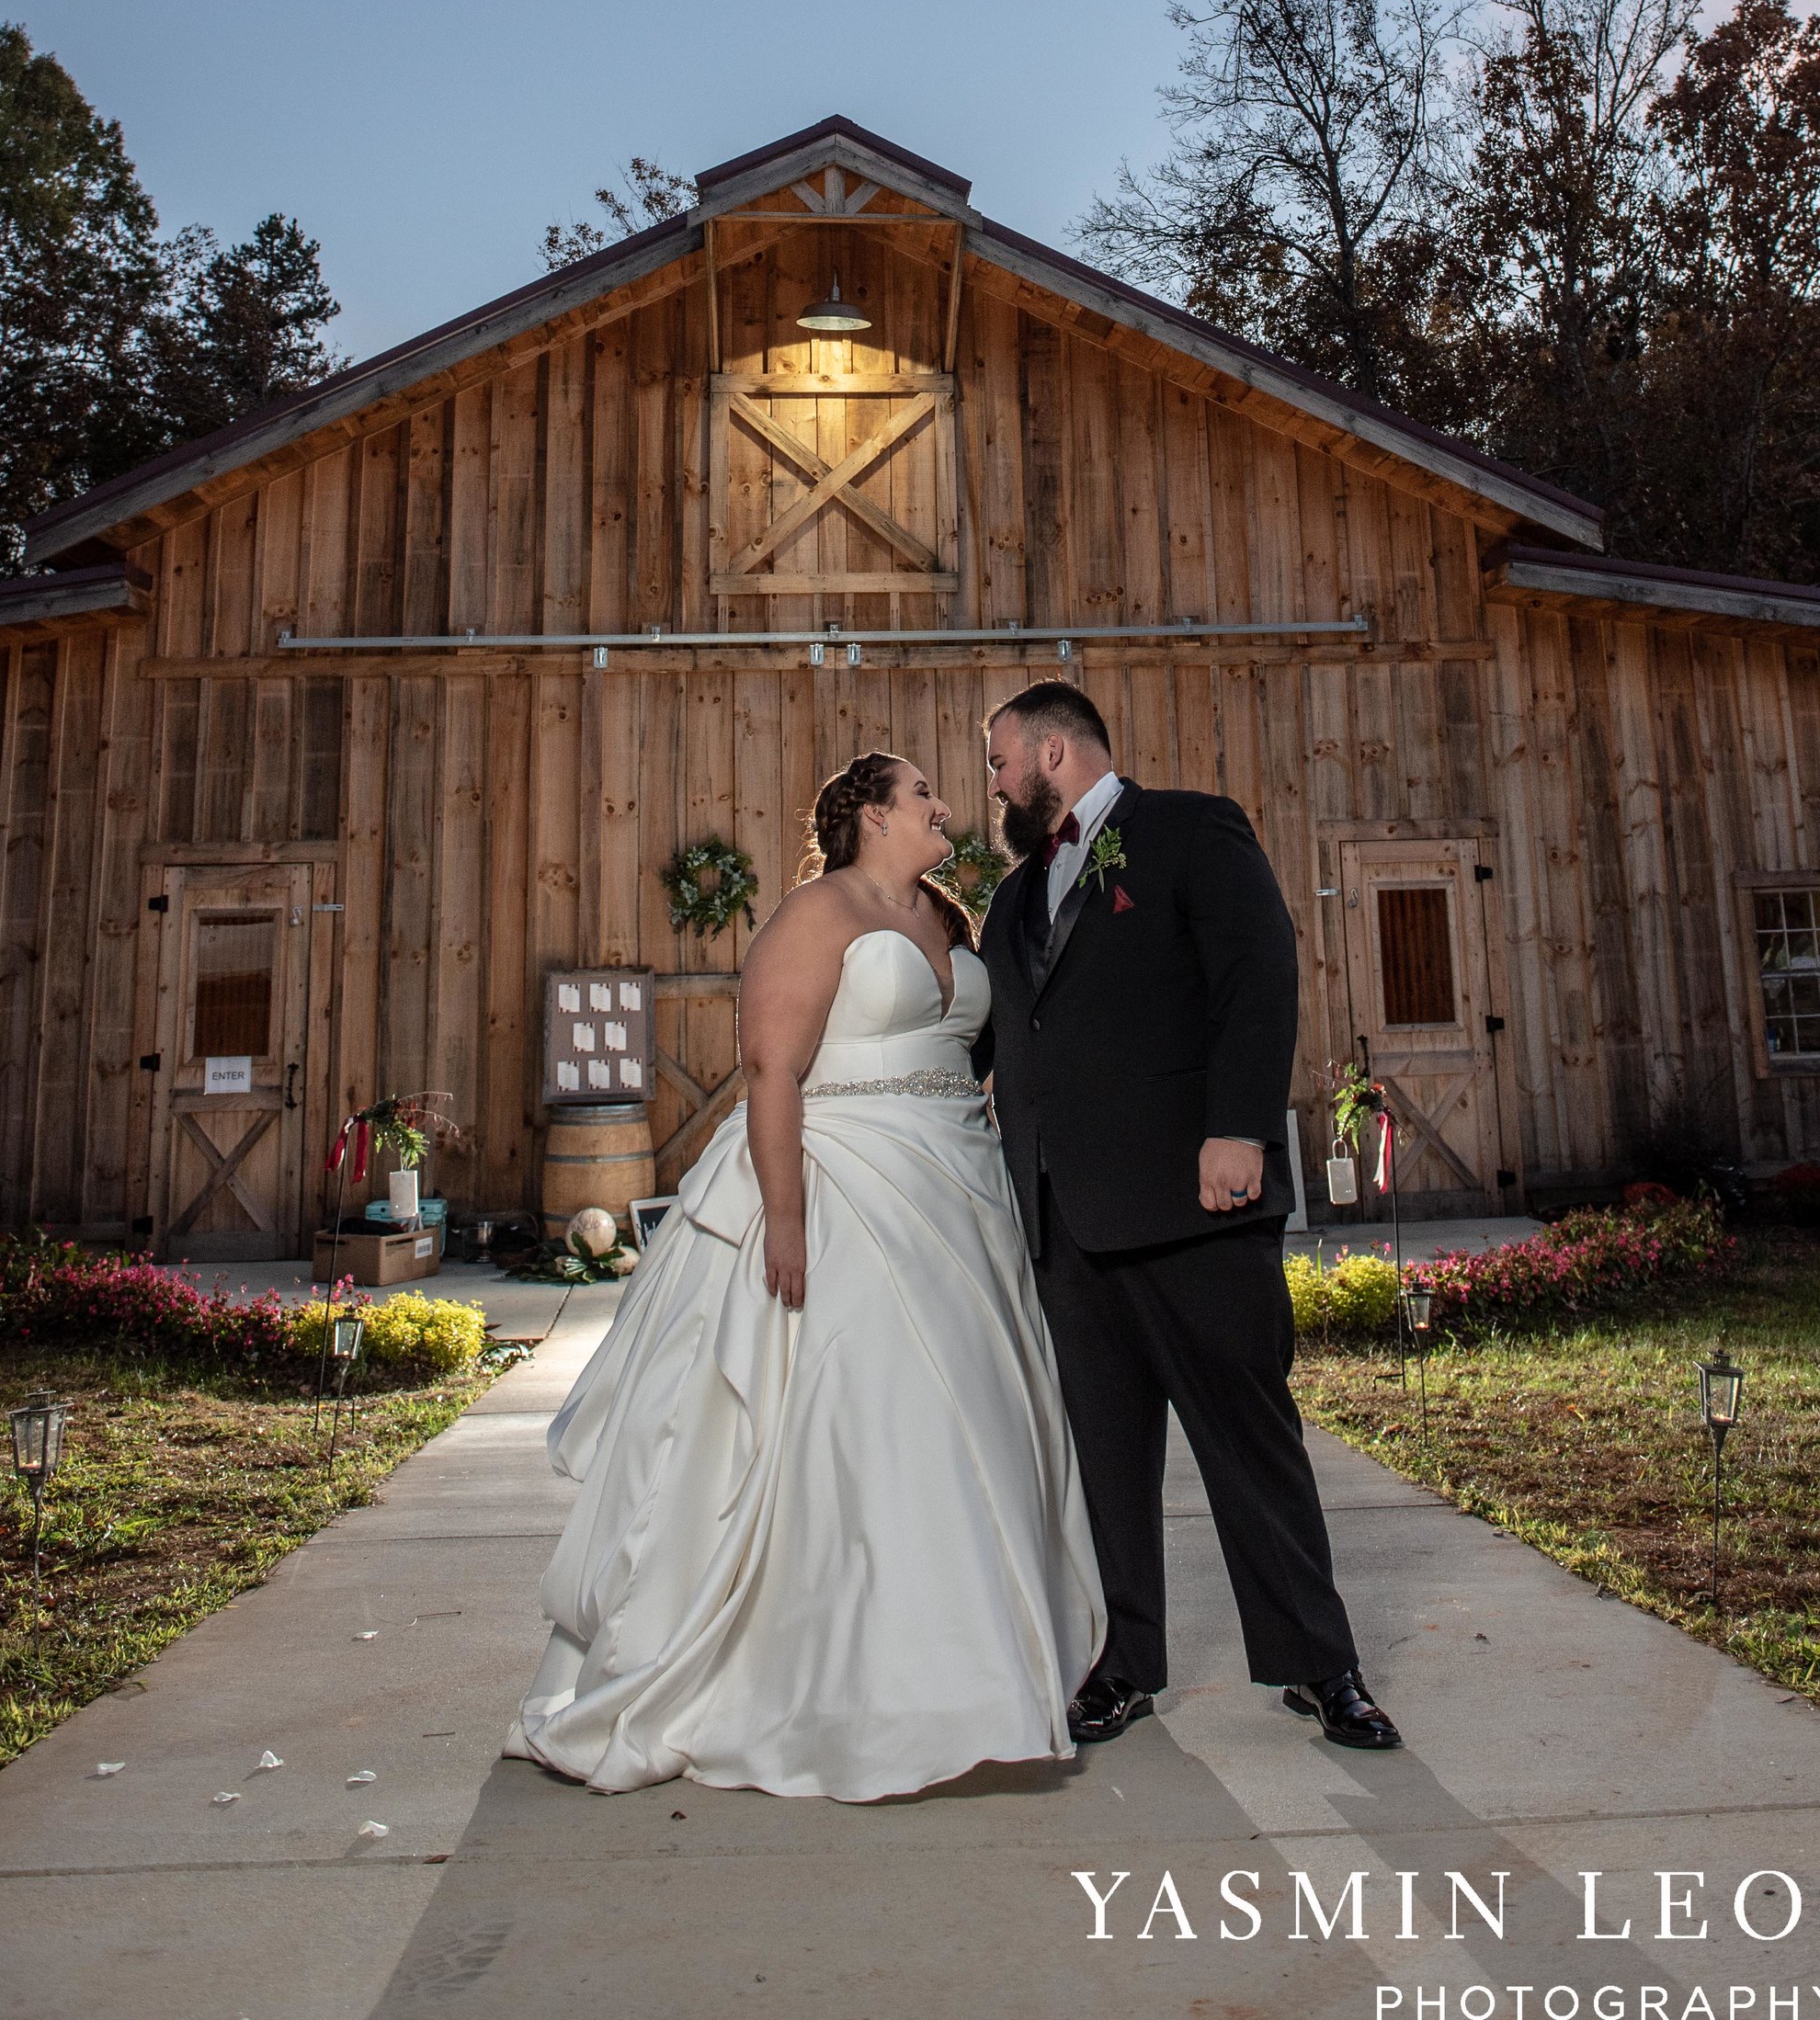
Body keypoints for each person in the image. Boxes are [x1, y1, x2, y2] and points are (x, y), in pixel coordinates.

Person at [507, 752, 1103, 1801]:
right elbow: (771, 1068)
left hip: (952, 1191)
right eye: (922, 794)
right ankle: (828, 1683)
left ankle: (974, 1674)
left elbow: (980, 1048)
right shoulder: (813, 914)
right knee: (862, 1418)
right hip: (839, 1183)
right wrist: (785, 1219)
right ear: (873, 815)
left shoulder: (951, 923)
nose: (944, 808)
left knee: (967, 1422)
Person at [977, 680, 1400, 1752]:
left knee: (1249, 1445)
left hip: (1194, 1204)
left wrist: (1240, 1130)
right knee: (1105, 1463)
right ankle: (1125, 1663)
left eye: (999, 763)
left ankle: (1321, 1665)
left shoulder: (1189, 829)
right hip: (1065, 1229)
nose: (993, 787)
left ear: (1056, 753)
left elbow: (1257, 978)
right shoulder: (1012, 900)